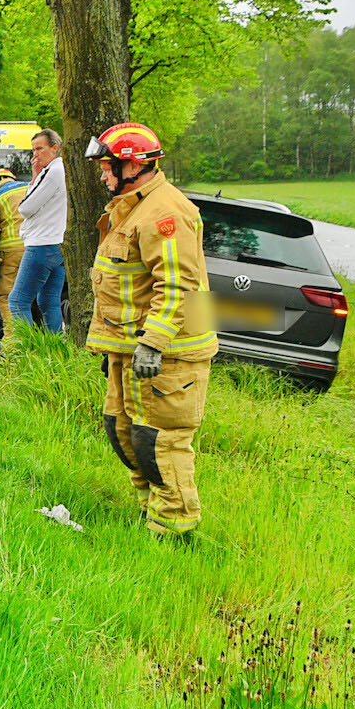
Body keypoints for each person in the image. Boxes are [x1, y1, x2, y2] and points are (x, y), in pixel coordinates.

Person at [86, 121, 216, 537]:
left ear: (132, 166)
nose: (103, 176)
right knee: (123, 431)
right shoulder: (131, 207)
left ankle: (175, 532)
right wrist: (115, 348)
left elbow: (177, 285)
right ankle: (148, 515)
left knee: (159, 441)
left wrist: (153, 344)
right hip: (130, 348)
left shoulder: (165, 213)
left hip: (169, 355)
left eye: (107, 167)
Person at [8, 127, 68, 331]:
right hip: (57, 243)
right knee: (49, 301)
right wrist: (36, 175)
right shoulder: (59, 170)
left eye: (40, 149)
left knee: (17, 301)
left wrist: (36, 177)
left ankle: (26, 346)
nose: (35, 155)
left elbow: (26, 208)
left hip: (41, 244)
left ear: (55, 148)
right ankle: (56, 345)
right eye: (33, 150)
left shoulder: (53, 172)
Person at [0, 167, 28, 329]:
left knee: (6, 295)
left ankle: (14, 338)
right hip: (39, 247)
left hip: (12, 252)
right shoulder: (31, 188)